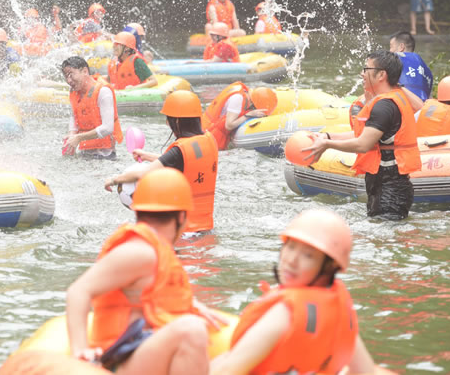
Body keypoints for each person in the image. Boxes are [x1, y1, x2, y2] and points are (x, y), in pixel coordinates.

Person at [66, 167, 220, 372]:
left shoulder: (155, 249)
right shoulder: (140, 252)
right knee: (191, 330)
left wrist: (190, 305)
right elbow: (78, 291)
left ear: (137, 209)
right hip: (119, 358)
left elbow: (150, 296)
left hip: (141, 350)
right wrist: (80, 350)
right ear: (182, 217)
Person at [211, 209, 376, 375]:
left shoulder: (284, 312)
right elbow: (365, 371)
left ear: (328, 266)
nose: (291, 260)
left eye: (308, 255)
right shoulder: (339, 309)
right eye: (290, 247)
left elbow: (228, 370)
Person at [304, 51, 421, 220]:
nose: (362, 73)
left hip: (390, 190)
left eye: (366, 68)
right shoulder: (389, 100)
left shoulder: (385, 106)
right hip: (385, 187)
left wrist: (327, 146)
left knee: (384, 239)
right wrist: (328, 136)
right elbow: (365, 135)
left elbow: (363, 144)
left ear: (381, 74)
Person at [104, 91, 219, 233]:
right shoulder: (209, 140)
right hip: (207, 229)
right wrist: (147, 156)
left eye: (168, 118)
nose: (167, 122)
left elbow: (143, 174)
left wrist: (113, 180)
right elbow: (185, 162)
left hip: (184, 232)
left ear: (176, 121)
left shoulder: (179, 151)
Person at [61, 56, 123, 159]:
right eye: (66, 77)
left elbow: (108, 128)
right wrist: (71, 135)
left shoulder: (103, 91)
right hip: (85, 151)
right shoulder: (74, 92)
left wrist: (78, 138)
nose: (69, 80)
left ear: (85, 71)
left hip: (105, 154)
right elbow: (74, 115)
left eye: (71, 75)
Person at [202, 83, 270, 150]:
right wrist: (249, 115)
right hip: (208, 137)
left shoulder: (244, 93)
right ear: (253, 103)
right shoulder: (238, 98)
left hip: (206, 129)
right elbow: (229, 125)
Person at [389, 31, 433, 101]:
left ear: (401, 47)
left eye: (391, 47)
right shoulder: (426, 70)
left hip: (405, 106)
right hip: (424, 107)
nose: (390, 51)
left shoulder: (395, 60)